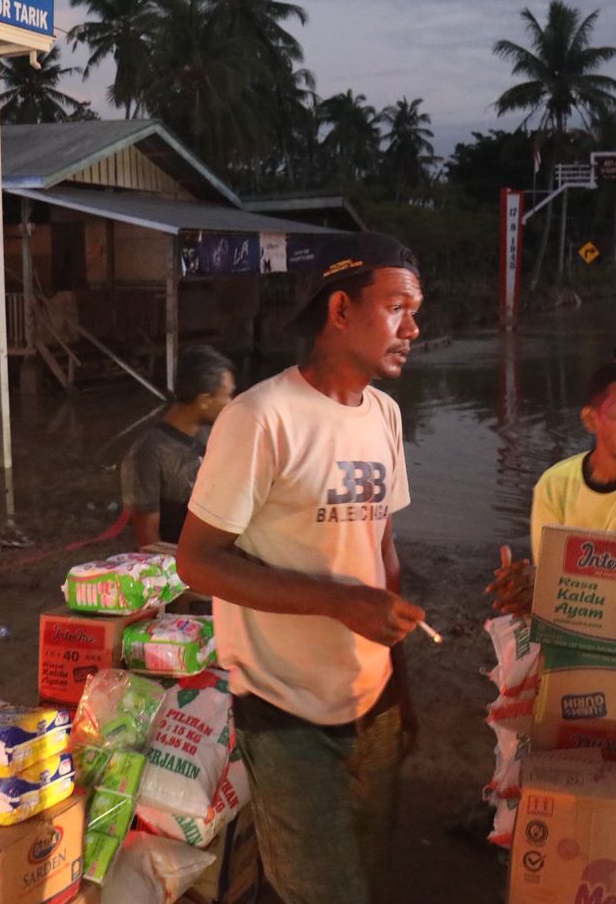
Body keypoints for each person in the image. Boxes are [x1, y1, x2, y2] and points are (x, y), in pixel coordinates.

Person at [175, 232, 424, 904]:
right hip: (284, 706)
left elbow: (382, 550)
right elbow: (197, 561)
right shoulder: (261, 418)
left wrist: (399, 685)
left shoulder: (386, 416)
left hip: (371, 701)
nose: (414, 326)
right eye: (398, 306)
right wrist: (338, 602)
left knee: (361, 873)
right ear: (340, 311)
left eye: (416, 310)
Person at [486, 361, 616, 615]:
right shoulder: (554, 483)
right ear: (590, 420)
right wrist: (532, 586)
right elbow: (551, 572)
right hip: (580, 620)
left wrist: (547, 584)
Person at [120, 345, 236, 546]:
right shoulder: (148, 453)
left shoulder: (213, 432)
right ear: (204, 400)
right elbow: (148, 542)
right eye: (227, 396)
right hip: (180, 560)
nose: (231, 402)